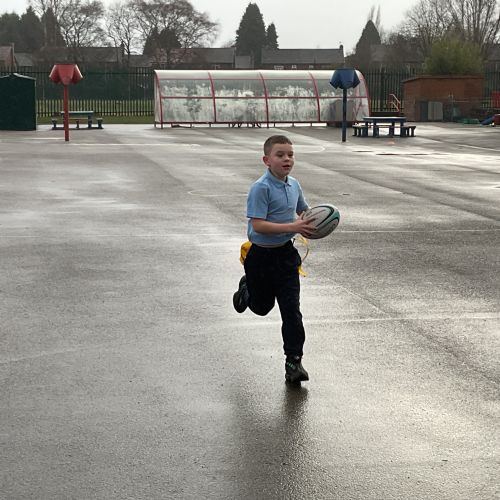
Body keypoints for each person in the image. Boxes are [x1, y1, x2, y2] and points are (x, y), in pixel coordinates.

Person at [232, 134, 316, 384]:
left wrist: (317, 219)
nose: (287, 159)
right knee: (261, 308)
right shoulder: (261, 188)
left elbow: (303, 210)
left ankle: (294, 362)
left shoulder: (294, 185)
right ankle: (247, 290)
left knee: (292, 311)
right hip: (260, 257)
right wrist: (293, 226)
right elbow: (258, 225)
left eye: (290, 154)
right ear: (267, 160)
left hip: (286, 256)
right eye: (280, 155)